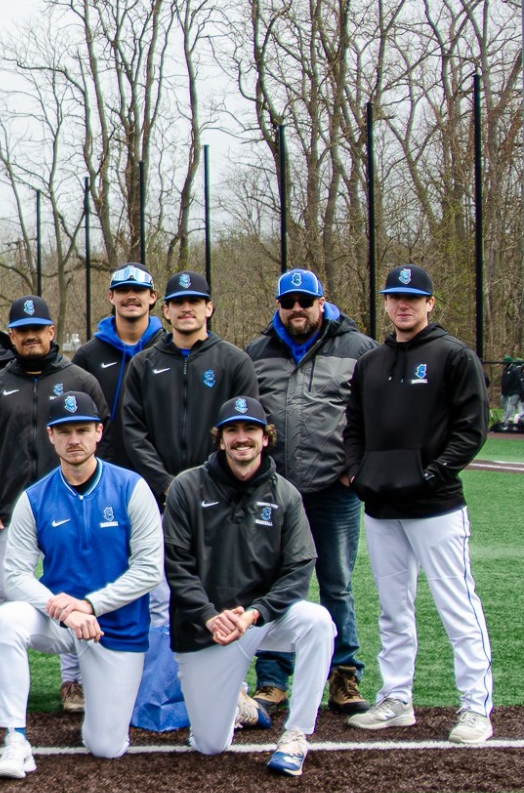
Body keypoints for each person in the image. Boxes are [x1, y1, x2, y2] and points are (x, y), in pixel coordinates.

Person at [343, 264, 495, 745]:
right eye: (394, 297)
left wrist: (433, 472)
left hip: (437, 507)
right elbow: (354, 430)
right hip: (383, 509)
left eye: (413, 297)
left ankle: (475, 708)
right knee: (392, 609)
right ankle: (396, 699)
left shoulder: (453, 355)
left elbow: (472, 428)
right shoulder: (370, 362)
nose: (402, 305)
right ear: (386, 303)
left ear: (430, 303)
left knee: (457, 606)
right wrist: (356, 474)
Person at [0, 392, 163, 780]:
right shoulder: (34, 499)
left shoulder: (132, 488)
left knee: (106, 747)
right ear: (50, 436)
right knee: (6, 619)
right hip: (61, 622)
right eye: (64, 431)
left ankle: (103, 713)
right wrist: (65, 608)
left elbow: (150, 569)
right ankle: (16, 740)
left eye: (83, 430)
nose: (74, 440)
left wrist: (90, 605)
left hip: (116, 628)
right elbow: (14, 575)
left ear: (99, 432)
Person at [165, 396, 336, 775]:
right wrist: (210, 617)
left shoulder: (286, 494)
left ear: (265, 437)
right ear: (221, 439)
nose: (242, 438)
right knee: (210, 745)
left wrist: (256, 613)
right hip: (207, 626)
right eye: (233, 430)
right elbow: (175, 564)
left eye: (250, 430)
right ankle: (244, 706)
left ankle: (295, 736)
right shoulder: (187, 487)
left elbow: (299, 568)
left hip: (260, 621)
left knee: (318, 622)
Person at [0, 296, 107, 713]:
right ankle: (3, 682)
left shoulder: (80, 379)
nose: (29, 336)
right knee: (6, 596)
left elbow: (102, 443)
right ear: (12, 334)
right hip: (8, 509)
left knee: (74, 591)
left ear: (51, 331)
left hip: (72, 505)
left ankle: (73, 682)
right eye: (21, 330)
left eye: (36, 329)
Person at [243, 268, 378, 717]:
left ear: (323, 301)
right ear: (277, 305)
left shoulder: (359, 349)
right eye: (289, 302)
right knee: (271, 583)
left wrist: (355, 467)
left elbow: (376, 414)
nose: (297, 309)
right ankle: (272, 677)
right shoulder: (257, 352)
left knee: (336, 583)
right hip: (275, 491)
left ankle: (344, 675)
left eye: (306, 301)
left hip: (333, 490)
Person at [118, 270, 259, 504]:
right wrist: (165, 483)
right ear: (166, 311)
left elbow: (245, 429)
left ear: (209, 308)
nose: (186, 308)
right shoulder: (143, 364)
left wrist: (213, 479)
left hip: (220, 492)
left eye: (194, 301)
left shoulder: (235, 361)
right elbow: (134, 431)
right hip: (157, 496)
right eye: (178, 302)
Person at [71, 264, 161, 471]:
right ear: (111, 296)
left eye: (138, 290)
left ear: (153, 297)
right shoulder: (88, 356)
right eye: (123, 290)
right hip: (103, 472)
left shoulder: (168, 352)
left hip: (158, 474)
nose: (130, 296)